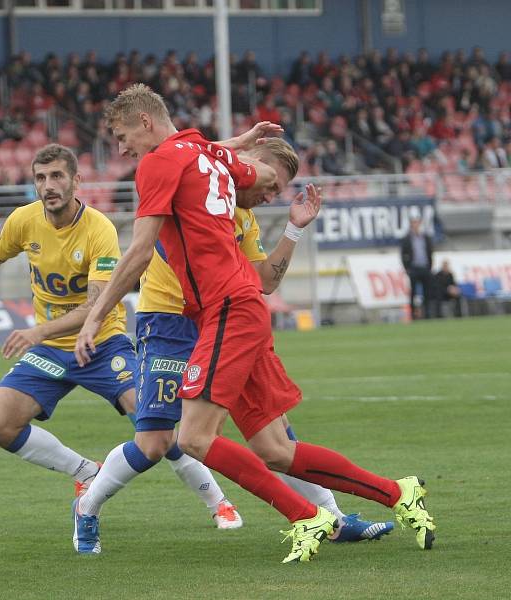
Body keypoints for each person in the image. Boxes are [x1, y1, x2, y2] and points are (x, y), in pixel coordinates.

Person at [74, 84, 435, 563]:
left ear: (145, 122)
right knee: (275, 449)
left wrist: (94, 318)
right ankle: (398, 492)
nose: (122, 149)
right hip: (234, 309)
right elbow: (228, 160)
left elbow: (139, 251)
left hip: (224, 309)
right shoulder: (204, 152)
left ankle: (307, 517)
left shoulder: (161, 162)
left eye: (122, 137)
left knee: (192, 439)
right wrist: (244, 144)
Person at [0, 144, 242, 530]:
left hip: (103, 344)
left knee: (158, 429)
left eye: (56, 176)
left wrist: (36, 331)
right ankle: (85, 471)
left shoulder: (98, 229)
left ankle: (219, 503)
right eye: (40, 177)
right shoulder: (23, 221)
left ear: (76, 181)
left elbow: (93, 308)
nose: (48, 186)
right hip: (52, 351)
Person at [400, 214, 434, 319]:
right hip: (414, 268)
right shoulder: (407, 239)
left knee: (427, 292)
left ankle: (427, 314)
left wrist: (430, 265)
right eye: (413, 223)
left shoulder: (425, 237)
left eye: (417, 222)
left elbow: (430, 252)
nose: (415, 225)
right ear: (411, 225)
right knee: (413, 292)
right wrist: (407, 268)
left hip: (425, 267)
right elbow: (403, 254)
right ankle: (413, 315)